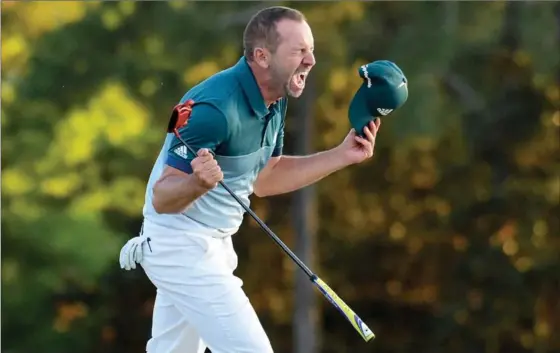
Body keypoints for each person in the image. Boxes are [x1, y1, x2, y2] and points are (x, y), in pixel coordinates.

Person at [119, 6, 381, 353]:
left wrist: (341, 155)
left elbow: (264, 178)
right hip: (179, 245)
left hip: (214, 245)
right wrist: (197, 183)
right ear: (262, 56)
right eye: (299, 50)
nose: (311, 60)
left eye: (311, 49)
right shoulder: (214, 108)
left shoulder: (274, 98)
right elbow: (162, 198)